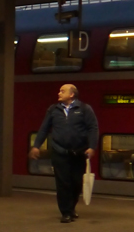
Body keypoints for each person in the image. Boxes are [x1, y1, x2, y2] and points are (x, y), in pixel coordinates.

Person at [30, 84, 99, 223]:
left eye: (62, 91)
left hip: (79, 152)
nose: (59, 93)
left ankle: (71, 208)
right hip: (59, 152)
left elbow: (93, 128)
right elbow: (44, 129)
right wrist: (36, 146)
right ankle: (66, 212)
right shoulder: (53, 110)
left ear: (72, 94)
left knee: (76, 183)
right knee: (63, 183)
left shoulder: (84, 109)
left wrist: (92, 147)